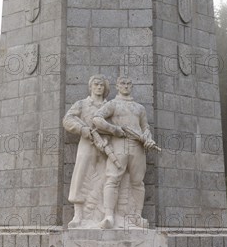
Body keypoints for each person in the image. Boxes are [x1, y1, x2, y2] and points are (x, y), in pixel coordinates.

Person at [93, 76, 157, 229]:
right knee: (113, 179)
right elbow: (97, 119)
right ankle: (109, 216)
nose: (126, 86)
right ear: (117, 86)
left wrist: (148, 138)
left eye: (129, 84)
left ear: (132, 86)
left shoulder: (139, 108)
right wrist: (114, 130)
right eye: (123, 83)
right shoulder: (113, 104)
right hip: (119, 145)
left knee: (138, 182)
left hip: (137, 147)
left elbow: (145, 127)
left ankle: (137, 215)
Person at [63, 74, 110, 228]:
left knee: (106, 177)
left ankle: (103, 214)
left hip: (105, 145)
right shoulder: (82, 104)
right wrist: (82, 128)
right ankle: (78, 215)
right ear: (90, 87)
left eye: (101, 85)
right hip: (87, 143)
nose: (98, 87)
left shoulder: (110, 105)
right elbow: (68, 119)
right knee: (80, 176)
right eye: (96, 84)